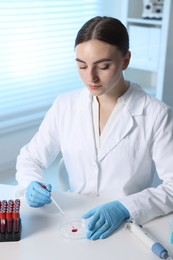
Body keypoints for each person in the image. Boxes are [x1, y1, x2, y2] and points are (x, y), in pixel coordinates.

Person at [15, 16, 173, 241]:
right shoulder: (65, 105)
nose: (91, 77)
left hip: (129, 224)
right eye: (82, 65)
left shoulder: (156, 114)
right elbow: (30, 158)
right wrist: (31, 183)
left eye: (103, 66)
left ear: (125, 60)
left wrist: (124, 208)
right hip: (75, 220)